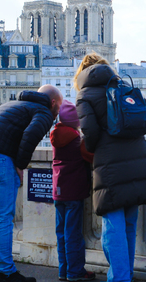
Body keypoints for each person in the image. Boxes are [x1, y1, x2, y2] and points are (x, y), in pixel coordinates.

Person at [74, 53, 146, 282]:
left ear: (82, 73)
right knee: (129, 224)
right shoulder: (122, 86)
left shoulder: (85, 96)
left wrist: (97, 146)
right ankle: (125, 275)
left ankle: (119, 278)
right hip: (139, 161)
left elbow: (89, 134)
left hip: (110, 166)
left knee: (112, 227)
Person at [0, 85, 63, 282]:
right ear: (53, 102)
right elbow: (30, 137)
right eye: (59, 107)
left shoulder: (13, 104)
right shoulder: (44, 111)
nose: (58, 112)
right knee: (2, 216)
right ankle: (6, 272)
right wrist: (20, 166)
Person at [50, 99, 96, 281]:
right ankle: (75, 271)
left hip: (58, 190)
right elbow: (90, 157)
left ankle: (63, 270)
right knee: (74, 233)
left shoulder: (55, 135)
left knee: (61, 232)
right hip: (74, 191)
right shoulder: (76, 139)